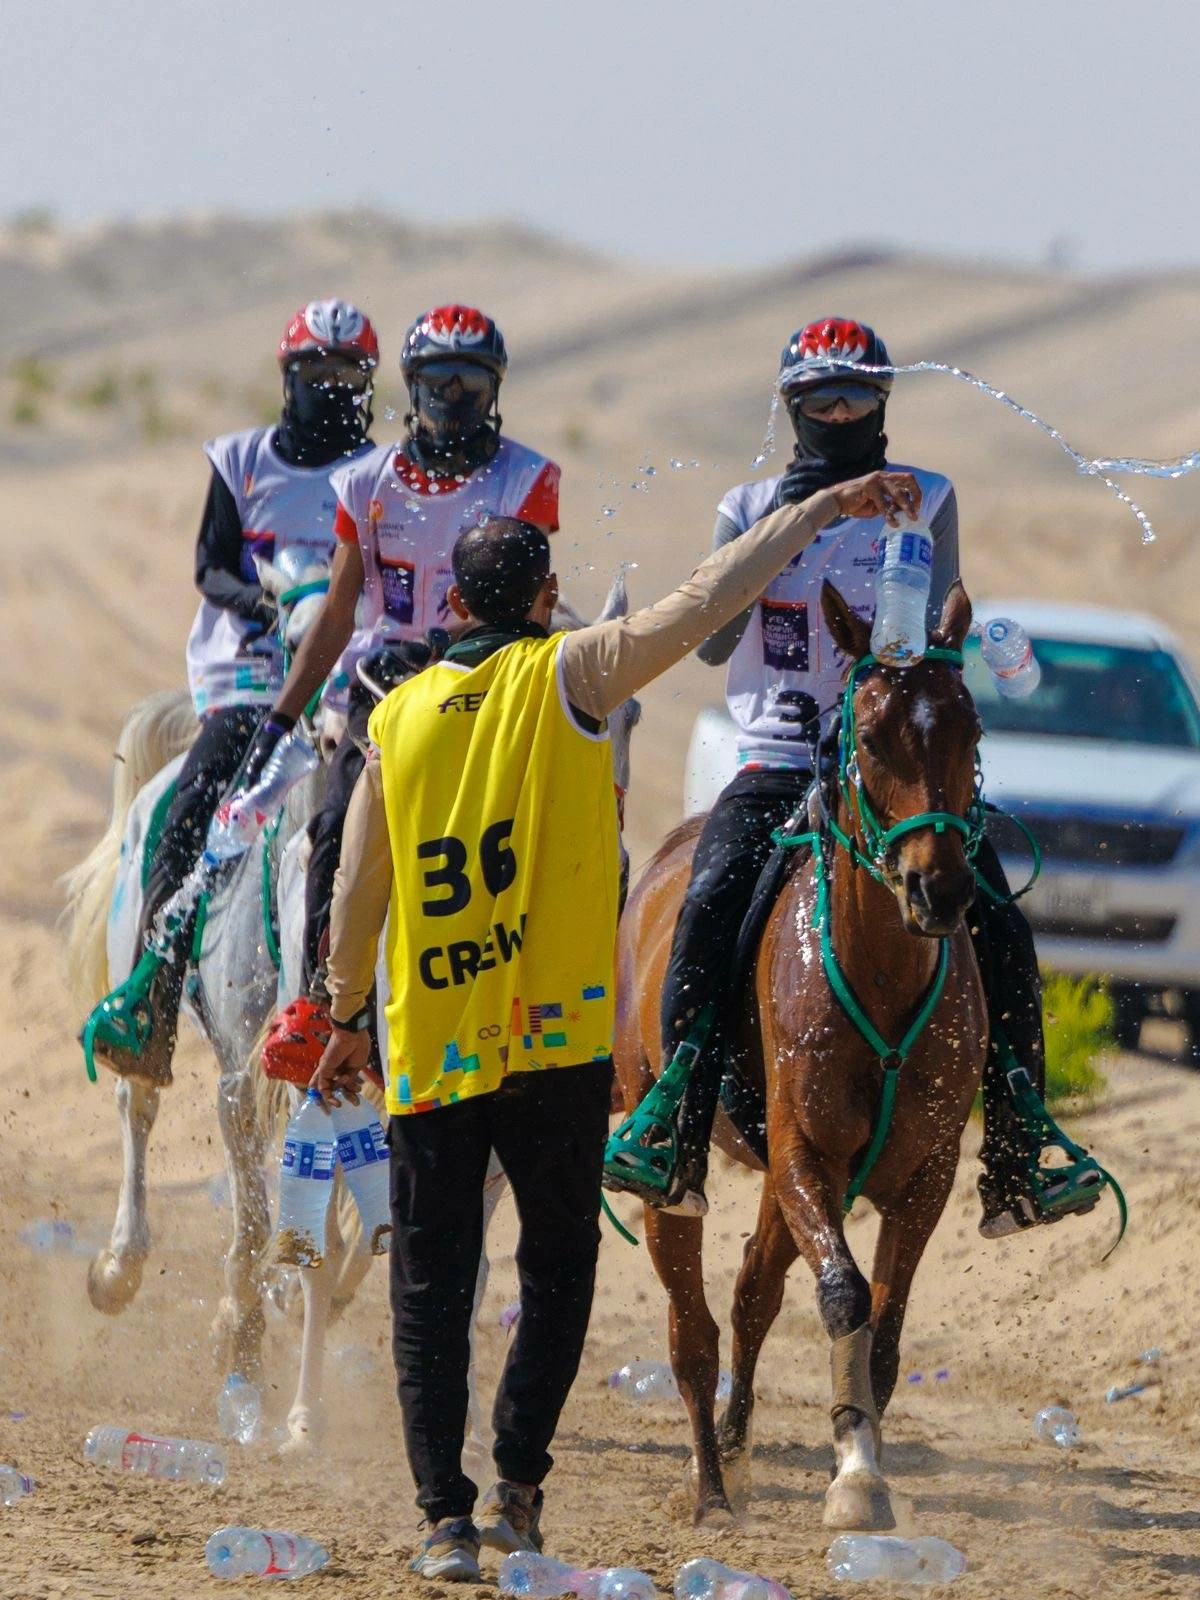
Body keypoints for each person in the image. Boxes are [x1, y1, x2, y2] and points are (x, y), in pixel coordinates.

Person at [309, 474, 923, 1580]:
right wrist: (819, 515)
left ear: (453, 604)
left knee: (432, 1291)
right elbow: (704, 600)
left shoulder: (392, 719)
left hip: (435, 1048)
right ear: (546, 596)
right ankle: (521, 1486)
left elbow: (359, 889)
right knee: (557, 1273)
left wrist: (343, 1014)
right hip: (552, 1049)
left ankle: (443, 1518)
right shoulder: (573, 670)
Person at [604, 315, 1099, 1238]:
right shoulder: (749, 507)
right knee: (710, 899)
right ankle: (673, 1117)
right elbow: (711, 644)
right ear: (791, 407)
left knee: (1000, 924)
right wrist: (792, 531)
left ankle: (1018, 1151)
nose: (839, 412)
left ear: (883, 403)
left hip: (890, 765)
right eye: (819, 398)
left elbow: (933, 645)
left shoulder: (928, 497)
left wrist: (972, 643)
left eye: (857, 396)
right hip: (779, 754)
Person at [254, 305, 561, 1080]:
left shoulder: (529, 478)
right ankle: (319, 1007)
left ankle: (578, 996)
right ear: (410, 386)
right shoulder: (364, 482)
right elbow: (338, 608)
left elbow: (529, 598)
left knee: (567, 821)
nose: (452, 396)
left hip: (491, 676)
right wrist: (282, 713)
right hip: (381, 687)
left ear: (493, 388)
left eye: (470, 380)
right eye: (436, 380)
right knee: (335, 825)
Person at [92, 299, 379, 1083]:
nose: (331, 387)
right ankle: (151, 994)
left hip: (350, 679)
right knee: (191, 808)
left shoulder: (378, 474)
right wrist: (271, 603)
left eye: (347, 373)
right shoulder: (241, 460)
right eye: (315, 372)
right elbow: (210, 565)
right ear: (289, 379)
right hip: (249, 677)